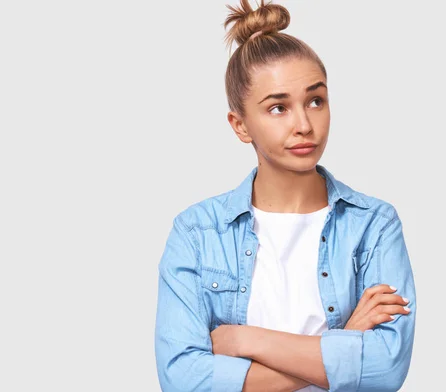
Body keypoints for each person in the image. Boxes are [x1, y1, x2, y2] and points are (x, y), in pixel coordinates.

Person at [154, 1, 417, 391]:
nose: (304, 125)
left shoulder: (373, 224)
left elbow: (385, 369)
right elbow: (183, 381)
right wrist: (347, 340)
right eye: (278, 108)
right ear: (240, 125)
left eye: (316, 100)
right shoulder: (197, 233)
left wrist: (246, 340)